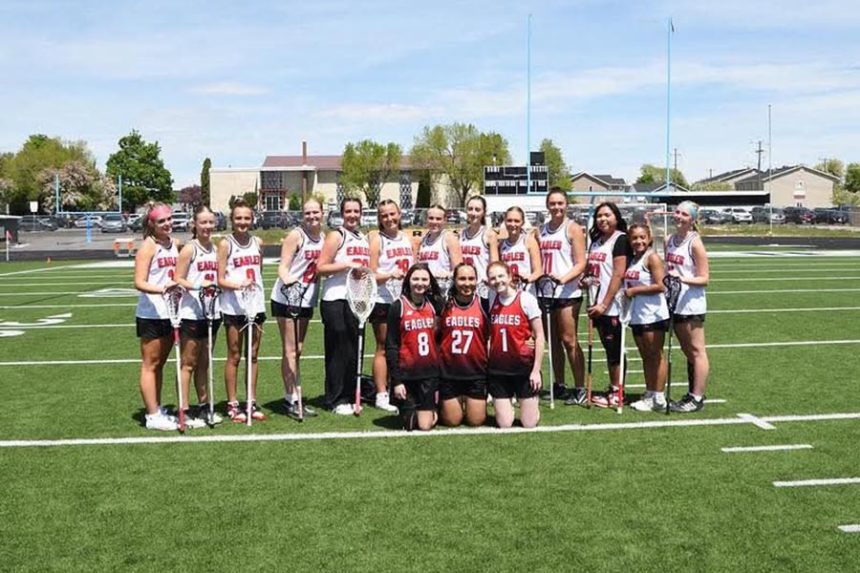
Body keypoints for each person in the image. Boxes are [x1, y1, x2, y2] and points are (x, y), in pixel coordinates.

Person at [270, 198, 324, 420]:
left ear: (322, 213)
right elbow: (282, 266)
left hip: (307, 299)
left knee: (298, 349)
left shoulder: (323, 238)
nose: (312, 216)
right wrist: (290, 282)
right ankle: (291, 398)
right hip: (287, 298)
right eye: (308, 213)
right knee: (290, 350)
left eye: (315, 212)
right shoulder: (296, 235)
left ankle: (291, 395)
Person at [317, 197, 370, 415]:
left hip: (356, 300)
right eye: (348, 211)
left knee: (353, 349)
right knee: (338, 350)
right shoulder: (336, 235)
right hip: (335, 298)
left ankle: (350, 394)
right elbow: (321, 267)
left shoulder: (363, 238)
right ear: (342, 213)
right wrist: (347, 265)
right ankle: (335, 398)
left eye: (356, 211)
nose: (352, 215)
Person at [216, 199, 266, 423]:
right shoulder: (226, 244)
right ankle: (233, 403)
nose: (243, 222)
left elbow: (259, 271)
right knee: (235, 355)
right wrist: (238, 285)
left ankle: (251, 401)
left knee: (253, 355)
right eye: (238, 218)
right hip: (234, 306)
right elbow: (220, 279)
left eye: (247, 218)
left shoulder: (258, 242)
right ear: (231, 219)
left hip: (255, 305)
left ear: (252, 219)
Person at [537, 188, 587, 405]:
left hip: (567, 292)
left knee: (569, 340)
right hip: (546, 292)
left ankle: (580, 387)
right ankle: (560, 384)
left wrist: (563, 278)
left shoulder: (573, 228)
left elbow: (581, 263)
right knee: (553, 342)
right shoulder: (540, 230)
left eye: (560, 203)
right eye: (552, 203)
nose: (556, 207)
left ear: (566, 205)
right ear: (547, 206)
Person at [174, 205, 223, 427]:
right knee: (188, 362)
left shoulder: (215, 248)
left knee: (204, 362)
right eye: (203, 222)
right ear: (194, 224)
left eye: (210, 222)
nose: (207, 226)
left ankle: (204, 405)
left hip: (212, 312)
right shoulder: (189, 249)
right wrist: (197, 286)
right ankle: (184, 408)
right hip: (192, 312)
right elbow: (178, 278)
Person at [133, 202, 181, 430]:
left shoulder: (175, 244)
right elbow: (139, 282)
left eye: (169, 219)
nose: (167, 224)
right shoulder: (148, 247)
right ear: (151, 224)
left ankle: (157, 407)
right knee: (150, 364)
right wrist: (163, 289)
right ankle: (152, 416)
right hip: (151, 313)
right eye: (161, 221)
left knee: (160, 363)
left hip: (170, 313)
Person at [486, 261, 545, 428]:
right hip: (499, 369)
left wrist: (535, 371)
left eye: (501, 276)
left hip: (523, 367)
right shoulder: (491, 298)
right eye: (493, 278)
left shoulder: (526, 299)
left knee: (529, 424)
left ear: (510, 276)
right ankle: (506, 406)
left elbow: (539, 336)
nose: (497, 281)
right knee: (505, 424)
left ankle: (531, 405)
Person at [664, 201, 710, 413]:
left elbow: (704, 278)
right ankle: (692, 392)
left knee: (697, 351)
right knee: (687, 350)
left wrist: (681, 279)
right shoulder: (669, 240)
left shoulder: (695, 243)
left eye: (684, 214)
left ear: (692, 219)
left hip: (691, 304)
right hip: (675, 302)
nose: (679, 216)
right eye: (677, 212)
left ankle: (697, 397)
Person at [368, 199, 413, 413]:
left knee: (405, 346)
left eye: (392, 214)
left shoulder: (410, 239)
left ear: (399, 214)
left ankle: (402, 386)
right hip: (383, 299)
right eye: (384, 215)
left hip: (406, 301)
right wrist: (389, 275)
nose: (389, 219)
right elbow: (370, 274)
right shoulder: (378, 240)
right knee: (383, 347)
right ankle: (381, 393)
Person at [586, 202, 632, 408]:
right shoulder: (596, 240)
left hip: (612, 305)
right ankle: (614, 387)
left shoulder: (620, 239)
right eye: (599, 216)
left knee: (615, 350)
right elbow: (593, 270)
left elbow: (618, 274)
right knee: (608, 348)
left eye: (607, 215)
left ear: (616, 217)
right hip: (596, 303)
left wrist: (605, 303)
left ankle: (617, 391)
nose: (603, 219)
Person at [385, 263, 441, 431]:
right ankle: (413, 407)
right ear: (408, 280)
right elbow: (391, 345)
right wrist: (397, 381)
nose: (420, 283)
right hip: (407, 375)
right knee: (409, 425)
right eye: (415, 279)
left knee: (424, 426)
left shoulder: (435, 305)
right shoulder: (398, 307)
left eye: (424, 279)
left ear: (430, 282)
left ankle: (434, 410)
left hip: (428, 374)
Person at [623, 223, 670, 412]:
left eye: (642, 237)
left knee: (655, 356)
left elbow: (661, 285)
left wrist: (634, 290)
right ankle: (650, 392)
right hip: (638, 315)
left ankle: (659, 396)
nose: (638, 241)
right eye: (634, 238)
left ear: (649, 238)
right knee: (645, 356)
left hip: (654, 314)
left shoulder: (652, 258)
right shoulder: (634, 259)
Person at [438, 263, 489, 427]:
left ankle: (466, 400)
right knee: (452, 421)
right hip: (449, 372)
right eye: (462, 279)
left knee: (476, 421)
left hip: (476, 372)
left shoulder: (485, 304)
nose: (467, 283)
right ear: (454, 280)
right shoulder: (444, 305)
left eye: (471, 279)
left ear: (477, 280)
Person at [459, 195, 498, 293]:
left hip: (482, 286)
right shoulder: (461, 234)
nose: (473, 213)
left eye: (477, 210)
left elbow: (494, 263)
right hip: (464, 286)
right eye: (470, 209)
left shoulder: (489, 234)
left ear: (484, 212)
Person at [416, 204, 461, 285]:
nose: (434, 222)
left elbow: (459, 270)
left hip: (443, 288)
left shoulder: (449, 239)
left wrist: (445, 275)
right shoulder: (423, 240)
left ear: (445, 220)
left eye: (438, 219)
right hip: (426, 288)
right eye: (431, 218)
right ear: (426, 219)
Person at [499, 206, 542, 291]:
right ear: (505, 222)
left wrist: (528, 278)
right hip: (508, 292)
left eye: (517, 221)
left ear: (522, 222)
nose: (513, 224)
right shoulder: (501, 244)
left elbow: (538, 271)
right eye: (509, 220)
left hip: (526, 292)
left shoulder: (529, 241)